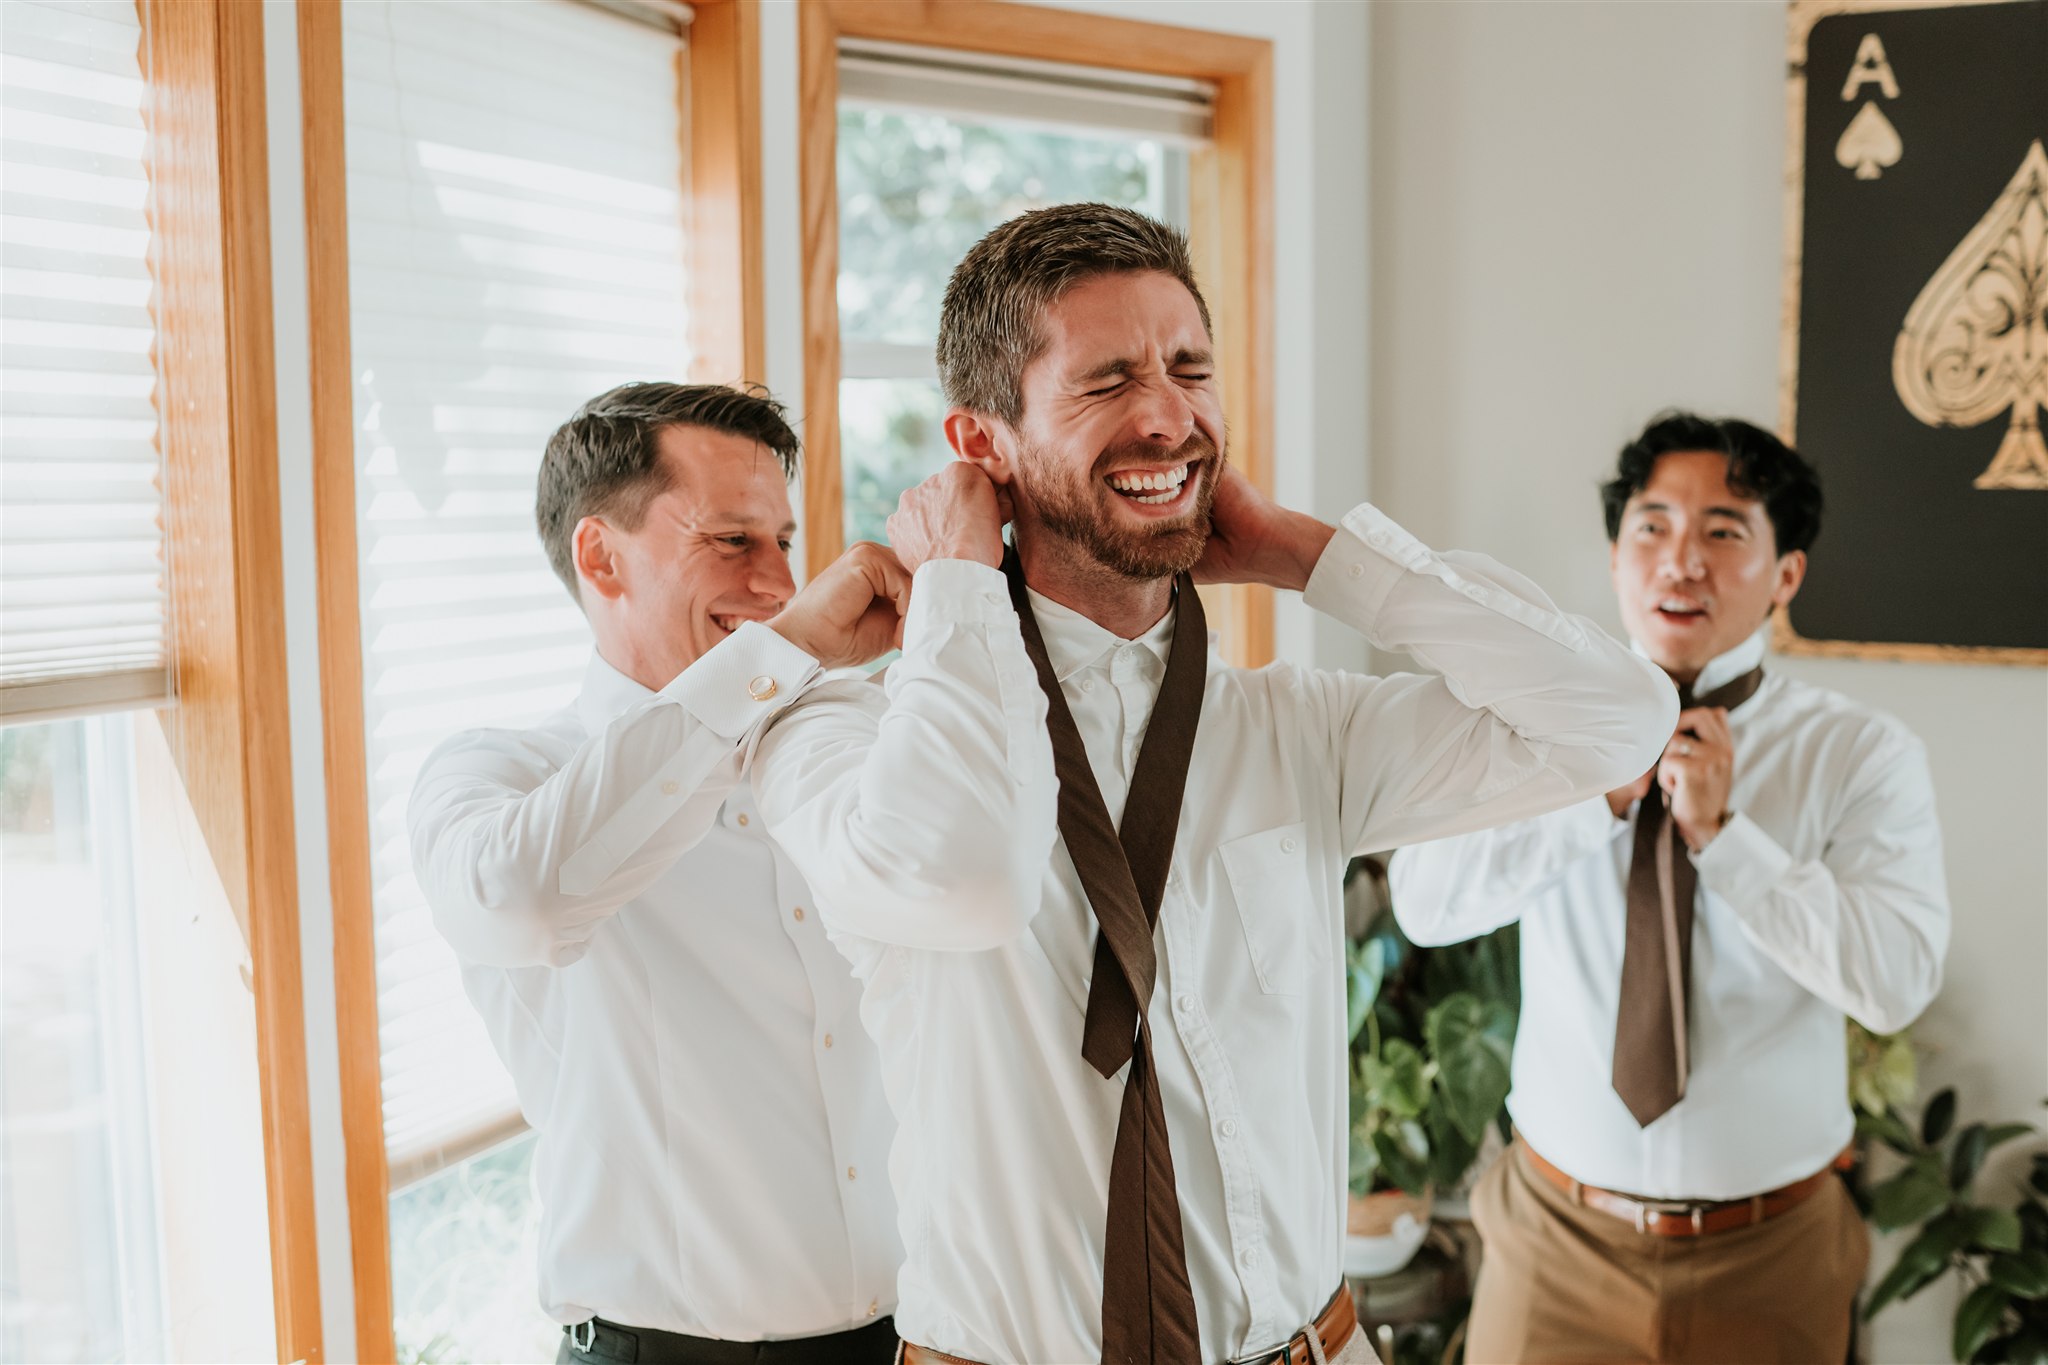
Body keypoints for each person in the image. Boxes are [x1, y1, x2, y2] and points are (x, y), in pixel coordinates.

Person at [746, 204, 1676, 1365]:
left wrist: (1307, 554)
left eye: (1189, 368)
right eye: (1105, 382)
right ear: (979, 443)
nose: (1167, 415)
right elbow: (962, 872)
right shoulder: (837, 741)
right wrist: (954, 591)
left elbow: (1616, 720)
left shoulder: (1296, 729)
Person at [1390, 412, 1951, 1364]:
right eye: (1651, 527)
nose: (1680, 561)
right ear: (1615, 557)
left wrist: (1725, 841)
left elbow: (1895, 980)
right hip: (1554, 1246)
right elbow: (1426, 903)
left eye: (1724, 531)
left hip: (1774, 1255)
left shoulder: (1861, 754)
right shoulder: (1533, 731)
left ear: (1786, 576)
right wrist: (1588, 799)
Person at [408, 382, 918, 1365]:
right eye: (732, 541)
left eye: (782, 541)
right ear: (599, 555)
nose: (776, 582)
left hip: (913, 1341)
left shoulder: (835, 758)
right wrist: (788, 651)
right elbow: (522, 904)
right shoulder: (496, 774)